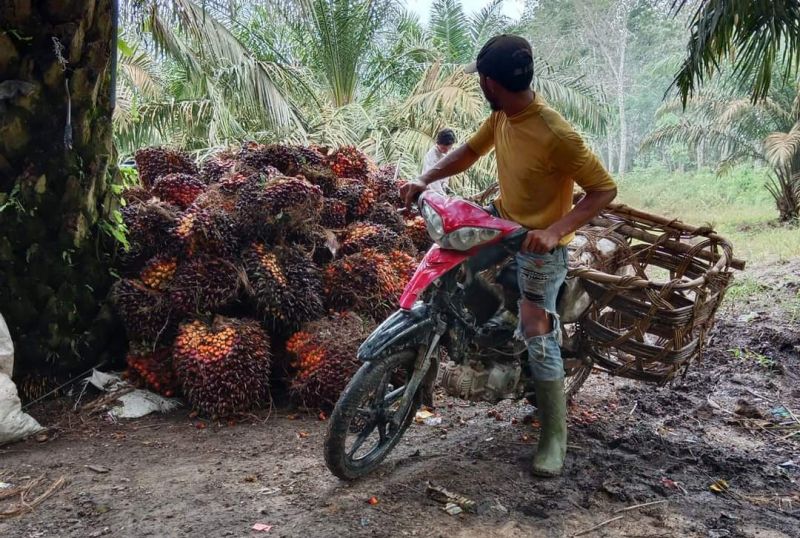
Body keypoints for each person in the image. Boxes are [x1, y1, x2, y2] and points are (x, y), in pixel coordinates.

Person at [401, 35, 617, 477]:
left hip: (541, 244)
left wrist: (553, 231)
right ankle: (490, 337)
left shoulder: (556, 133)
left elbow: (603, 189)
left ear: (490, 83)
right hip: (502, 223)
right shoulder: (502, 115)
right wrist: (425, 179)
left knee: (536, 327)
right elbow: (469, 151)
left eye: (481, 79)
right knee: (451, 269)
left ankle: (554, 437)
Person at [421, 129, 456, 194]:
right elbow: (432, 180)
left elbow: (446, 172)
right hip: (429, 190)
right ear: (438, 143)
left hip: (441, 188)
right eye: (443, 148)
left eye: (448, 148)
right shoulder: (432, 156)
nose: (446, 151)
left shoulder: (446, 153)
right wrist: (442, 195)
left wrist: (444, 184)